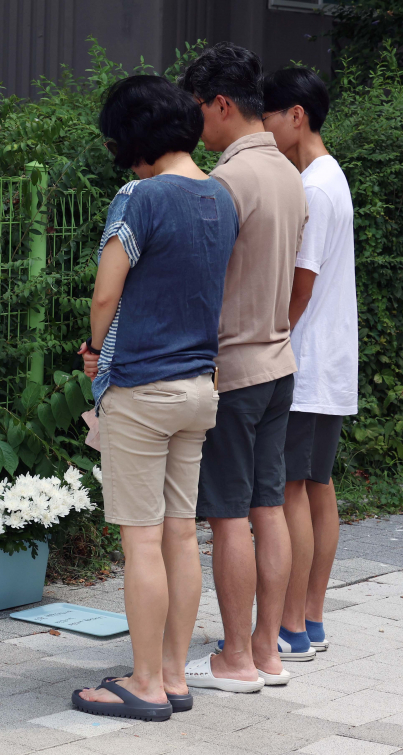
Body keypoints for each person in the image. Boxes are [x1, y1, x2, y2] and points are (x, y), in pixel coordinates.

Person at [72, 75, 237, 722]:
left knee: (141, 542)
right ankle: (172, 675)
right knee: (179, 537)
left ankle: (142, 684)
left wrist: (93, 347)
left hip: (142, 390)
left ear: (133, 140)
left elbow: (106, 295)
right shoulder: (220, 196)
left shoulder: (138, 197)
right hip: (200, 388)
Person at [178, 43, 311, 693]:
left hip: (235, 367)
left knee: (229, 515)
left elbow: (203, 281)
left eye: (198, 110)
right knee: (268, 508)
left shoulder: (229, 181)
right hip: (281, 361)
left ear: (221, 105)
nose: (195, 126)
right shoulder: (290, 172)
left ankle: (232, 659)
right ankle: (267, 652)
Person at [262, 67, 357, 654]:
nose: (267, 130)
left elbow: (300, 288)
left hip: (308, 360)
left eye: (269, 117)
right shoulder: (331, 176)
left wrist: (270, 338)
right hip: (331, 362)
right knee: (316, 486)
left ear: (295, 115)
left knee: (292, 491)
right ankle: (311, 618)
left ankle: (291, 626)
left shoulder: (314, 188)